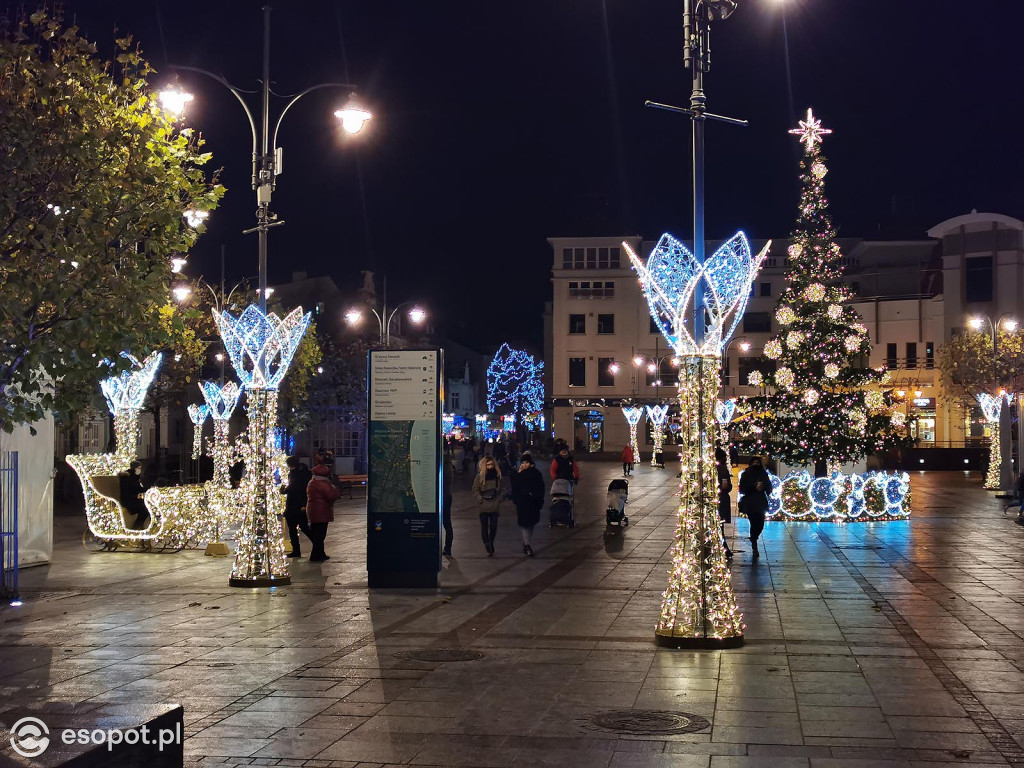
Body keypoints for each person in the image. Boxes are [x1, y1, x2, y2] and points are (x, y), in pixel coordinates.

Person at [509, 452, 545, 557]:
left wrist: (539, 499)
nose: (524, 464)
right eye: (523, 462)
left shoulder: (536, 474)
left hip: (533, 502)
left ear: (531, 463)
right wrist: (517, 474)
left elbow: (540, 487)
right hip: (522, 503)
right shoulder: (518, 474)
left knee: (531, 524)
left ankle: (526, 543)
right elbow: (514, 487)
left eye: (526, 462)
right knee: (525, 524)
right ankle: (528, 545)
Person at [306, 462, 341, 562]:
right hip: (322, 511)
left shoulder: (312, 482)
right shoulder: (324, 484)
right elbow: (331, 495)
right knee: (320, 535)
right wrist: (336, 488)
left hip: (313, 510)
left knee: (316, 533)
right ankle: (316, 555)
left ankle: (320, 553)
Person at [738, 456, 771, 560]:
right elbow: (742, 489)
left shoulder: (763, 474)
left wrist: (764, 487)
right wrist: (754, 487)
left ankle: (754, 538)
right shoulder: (746, 474)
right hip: (750, 503)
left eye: (758, 462)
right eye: (754, 462)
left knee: (760, 523)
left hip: (761, 502)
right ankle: (754, 544)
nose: (756, 464)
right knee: (753, 523)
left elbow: (769, 488)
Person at [280, 456, 312, 558]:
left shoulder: (294, 474)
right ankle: (317, 544)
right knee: (304, 527)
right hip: (300, 505)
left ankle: (297, 551)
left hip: (294, 505)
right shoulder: (305, 472)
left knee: (294, 529)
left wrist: (285, 490)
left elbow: (294, 489)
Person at [472, 455, 503, 556]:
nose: (490, 466)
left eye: (492, 464)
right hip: (483, 505)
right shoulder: (480, 476)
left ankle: (491, 542)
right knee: (484, 527)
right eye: (488, 464)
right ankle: (487, 544)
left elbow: (502, 489)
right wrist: (480, 499)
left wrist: (499, 499)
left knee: (493, 527)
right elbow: (475, 489)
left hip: (494, 504)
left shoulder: (497, 476)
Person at [118, 460, 150, 529]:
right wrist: (136, 496)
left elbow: (139, 488)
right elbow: (126, 491)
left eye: (140, 468)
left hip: (134, 499)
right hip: (128, 501)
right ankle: (137, 526)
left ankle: (140, 525)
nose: (139, 470)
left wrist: (149, 489)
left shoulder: (135, 477)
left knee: (147, 505)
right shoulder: (127, 478)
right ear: (134, 468)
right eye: (138, 468)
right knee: (144, 508)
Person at [716, 448, 733, 560]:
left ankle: (723, 548)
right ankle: (724, 548)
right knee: (719, 526)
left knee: (719, 526)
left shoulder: (721, 468)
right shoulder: (721, 469)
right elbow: (728, 486)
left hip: (720, 498)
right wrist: (725, 487)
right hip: (720, 499)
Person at [442, 446, 455, 557]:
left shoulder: (444, 467)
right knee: (447, 523)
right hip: (447, 496)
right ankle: (448, 548)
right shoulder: (449, 466)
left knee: (446, 523)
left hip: (443, 496)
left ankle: (447, 548)